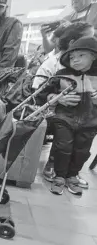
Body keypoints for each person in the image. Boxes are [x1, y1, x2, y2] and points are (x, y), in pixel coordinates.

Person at [36, 22, 94, 188]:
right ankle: (57, 169)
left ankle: (71, 174)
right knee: (64, 143)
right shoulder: (57, 69)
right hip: (58, 116)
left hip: (87, 120)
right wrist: (55, 98)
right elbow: (38, 94)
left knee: (82, 147)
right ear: (72, 45)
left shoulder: (92, 76)